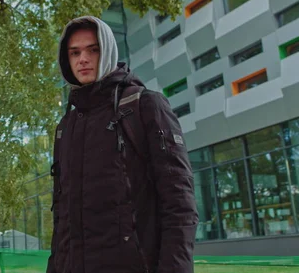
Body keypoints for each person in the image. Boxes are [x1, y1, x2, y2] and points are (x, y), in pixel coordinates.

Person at [47, 16, 199, 273]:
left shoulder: (145, 106)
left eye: (93, 49)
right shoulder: (65, 127)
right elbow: (62, 219)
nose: (82, 59)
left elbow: (180, 205)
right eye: (74, 52)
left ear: (107, 50)